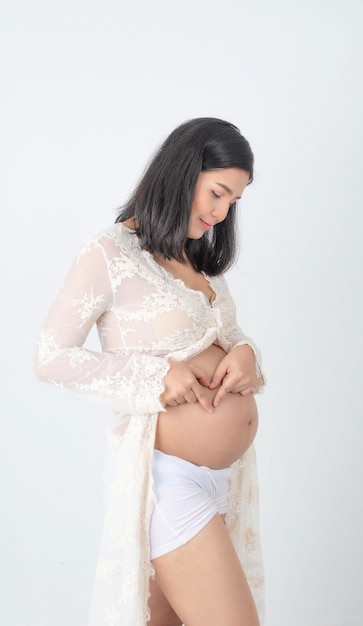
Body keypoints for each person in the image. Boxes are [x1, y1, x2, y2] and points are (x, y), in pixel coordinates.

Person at [35, 117, 266, 626]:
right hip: (169, 481)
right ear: (184, 171)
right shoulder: (110, 252)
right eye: (217, 193)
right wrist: (154, 375)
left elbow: (224, 337)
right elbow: (51, 356)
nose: (221, 212)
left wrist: (246, 351)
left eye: (233, 202)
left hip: (218, 480)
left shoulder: (195, 265)